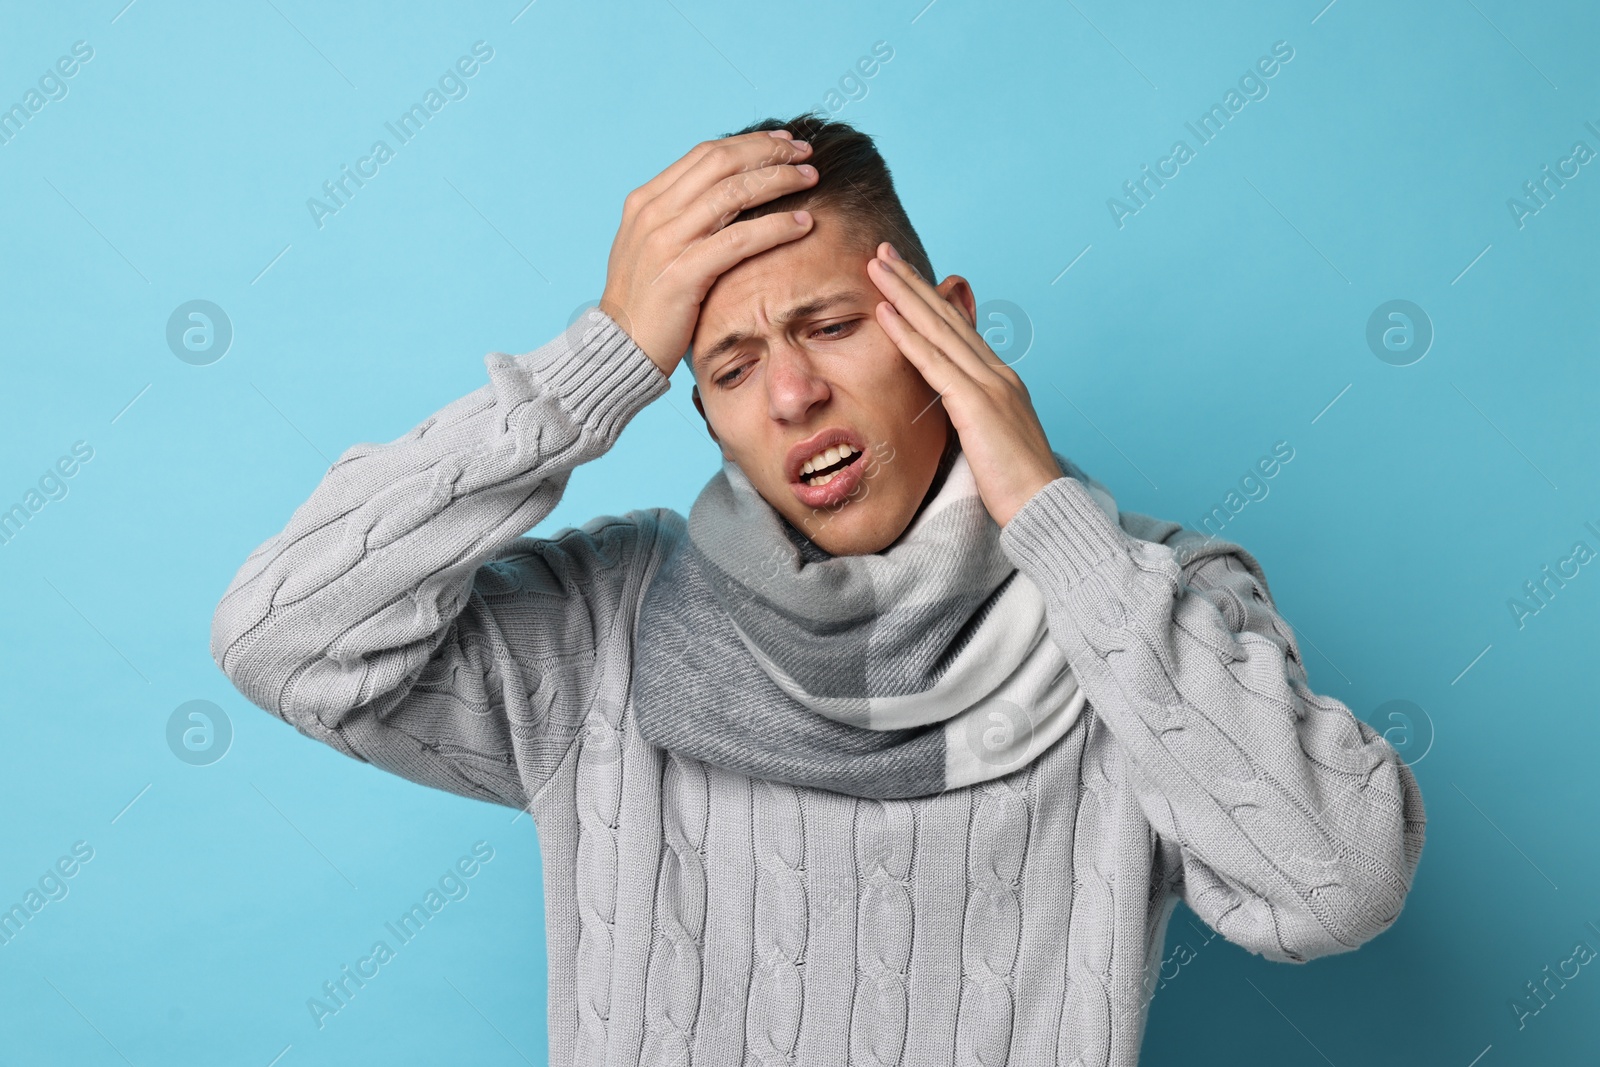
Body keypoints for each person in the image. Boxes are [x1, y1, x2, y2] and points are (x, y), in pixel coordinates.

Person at [210, 113, 1426, 1066]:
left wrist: (1051, 516)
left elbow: (1339, 881)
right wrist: (596, 364)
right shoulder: (600, 629)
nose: (791, 396)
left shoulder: (1146, 609)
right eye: (731, 366)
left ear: (945, 329)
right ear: (704, 413)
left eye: (833, 324)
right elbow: (283, 640)